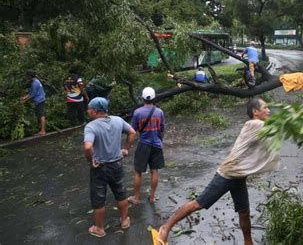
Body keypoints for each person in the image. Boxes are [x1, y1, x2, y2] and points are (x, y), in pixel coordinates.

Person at [157, 98, 278, 245]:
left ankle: (248, 242)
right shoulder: (254, 124)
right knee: (198, 204)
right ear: (255, 112)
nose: (269, 110)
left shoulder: (260, 126)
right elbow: (279, 126)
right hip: (227, 174)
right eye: (265, 107)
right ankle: (165, 228)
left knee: (244, 212)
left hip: (239, 176)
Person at [83, 97, 136, 238]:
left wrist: (90, 160)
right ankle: (124, 220)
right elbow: (132, 132)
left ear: (95, 111)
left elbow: (88, 147)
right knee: (121, 192)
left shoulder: (91, 126)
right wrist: (125, 149)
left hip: (99, 167)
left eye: (89, 109)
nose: (87, 111)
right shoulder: (118, 120)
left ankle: (99, 229)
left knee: (98, 198)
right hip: (117, 163)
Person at [128, 87, 165, 204]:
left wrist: (127, 147)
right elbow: (162, 129)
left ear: (142, 98)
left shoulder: (137, 112)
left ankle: (137, 198)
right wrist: (160, 141)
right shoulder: (159, 112)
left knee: (138, 171)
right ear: (154, 98)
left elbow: (133, 130)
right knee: (154, 171)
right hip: (157, 145)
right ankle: (152, 197)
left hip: (144, 144)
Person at [20, 69, 46, 135]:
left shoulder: (35, 83)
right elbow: (31, 92)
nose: (26, 77)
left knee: (41, 115)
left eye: (27, 76)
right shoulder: (36, 81)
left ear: (30, 76)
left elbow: (32, 94)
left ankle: (43, 131)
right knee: (40, 115)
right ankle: (41, 130)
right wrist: (24, 97)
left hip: (39, 100)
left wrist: (24, 100)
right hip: (40, 99)